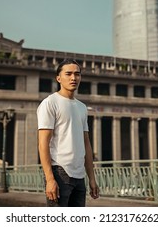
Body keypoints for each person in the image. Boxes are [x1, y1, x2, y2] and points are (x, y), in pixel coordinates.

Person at [37, 58, 99, 207]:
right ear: (58, 78)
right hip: (59, 172)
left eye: (77, 74)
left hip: (79, 175)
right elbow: (43, 143)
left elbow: (86, 143)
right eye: (68, 74)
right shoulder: (50, 103)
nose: (73, 78)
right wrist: (50, 179)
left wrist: (91, 178)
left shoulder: (82, 107)